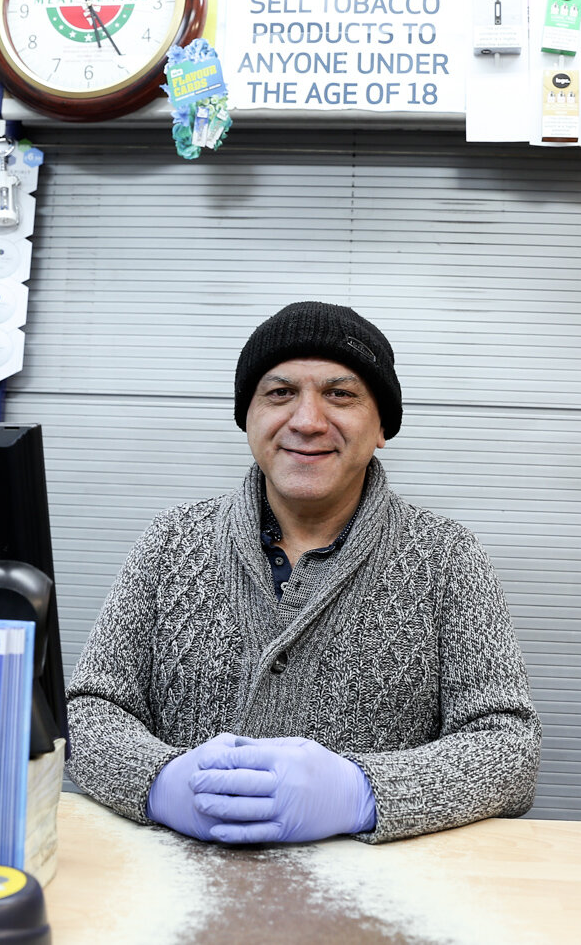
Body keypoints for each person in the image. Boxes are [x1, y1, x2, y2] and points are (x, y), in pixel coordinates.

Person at [66, 301, 541, 845]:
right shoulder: (171, 541)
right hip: (173, 894)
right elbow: (91, 712)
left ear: (382, 424)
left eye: (340, 395)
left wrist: (366, 792)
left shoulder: (446, 557)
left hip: (375, 902)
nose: (308, 421)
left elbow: (510, 748)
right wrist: (159, 782)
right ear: (249, 417)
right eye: (279, 393)